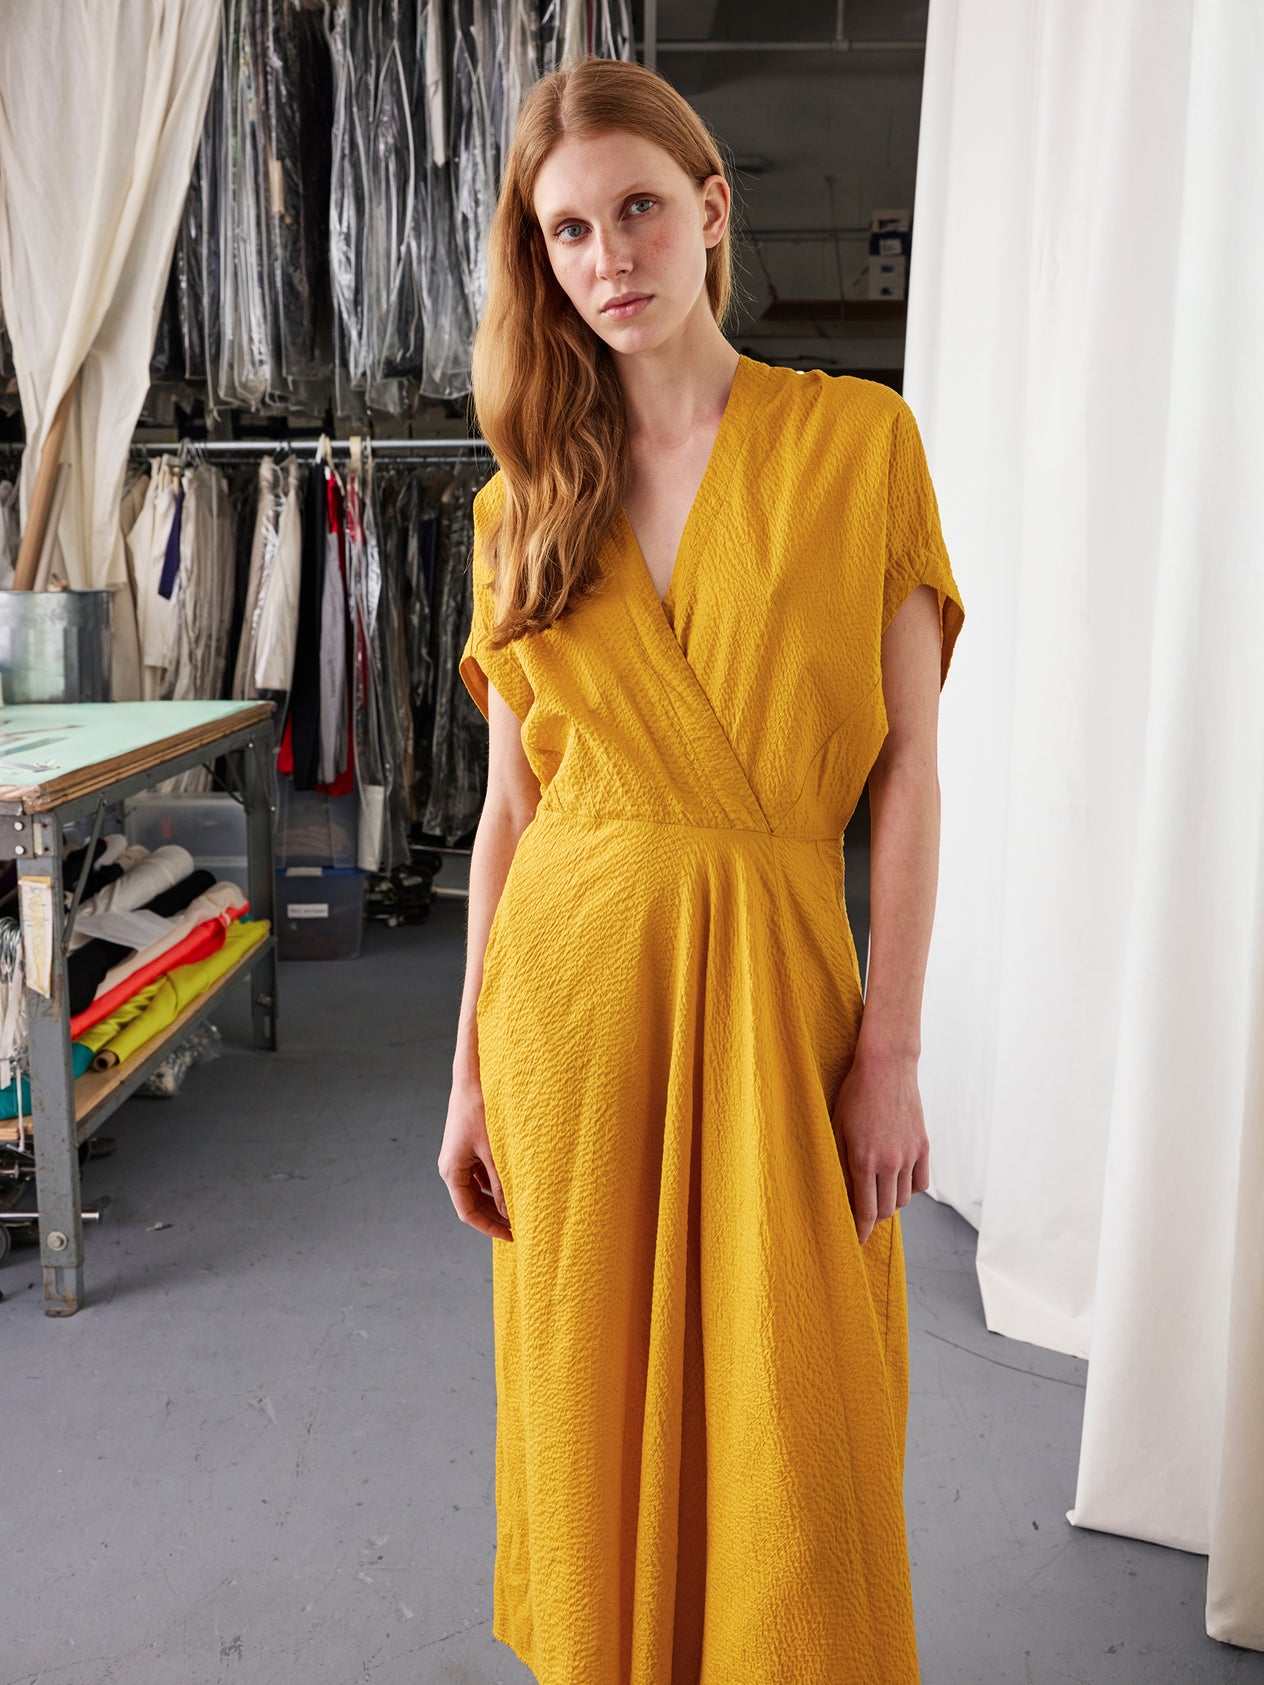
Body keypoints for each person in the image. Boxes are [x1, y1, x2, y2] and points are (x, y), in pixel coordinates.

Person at [438, 54, 965, 1685]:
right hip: (576, 1022)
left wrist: (890, 1050)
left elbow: (913, 782)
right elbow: (510, 815)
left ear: (713, 210)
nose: (611, 260)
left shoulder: (858, 442)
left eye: (641, 210)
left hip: (780, 997)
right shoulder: (522, 501)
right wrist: (465, 1072)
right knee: (597, 1406)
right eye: (571, 232)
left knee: (797, 1429)